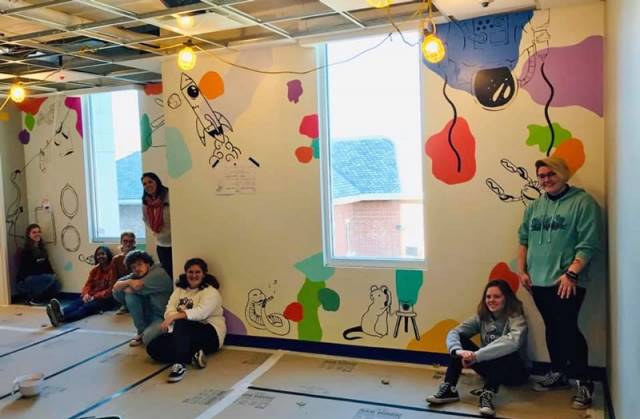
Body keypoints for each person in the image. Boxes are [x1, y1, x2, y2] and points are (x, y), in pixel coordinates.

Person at [517, 157, 602, 409]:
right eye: (541, 176)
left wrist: (572, 273)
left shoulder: (583, 203)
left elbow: (589, 242)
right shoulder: (534, 207)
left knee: (568, 329)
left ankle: (585, 382)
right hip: (537, 282)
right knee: (552, 328)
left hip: (567, 281)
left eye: (550, 174)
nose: (546, 180)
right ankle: (558, 373)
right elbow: (523, 240)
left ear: (563, 174)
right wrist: (522, 272)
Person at [426, 280, 528, 417]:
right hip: (489, 368)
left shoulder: (516, 318)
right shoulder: (482, 317)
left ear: (507, 299)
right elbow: (454, 332)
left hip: (514, 372)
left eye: (497, 297)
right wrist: (459, 351)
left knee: (504, 347)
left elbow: (514, 342)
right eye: (488, 297)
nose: (491, 300)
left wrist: (477, 355)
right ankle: (449, 388)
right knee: (460, 340)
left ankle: (487, 393)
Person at [146, 258, 226, 383]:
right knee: (153, 348)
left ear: (204, 274)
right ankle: (193, 354)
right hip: (183, 333)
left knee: (182, 322)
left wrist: (175, 316)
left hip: (210, 334)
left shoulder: (211, 292)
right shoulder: (179, 290)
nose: (194, 275)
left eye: (197, 272)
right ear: (186, 273)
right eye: (190, 272)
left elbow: (201, 313)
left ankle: (179, 364)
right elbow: (169, 309)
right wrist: (173, 316)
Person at [112, 250, 173, 347]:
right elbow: (115, 288)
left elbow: (133, 289)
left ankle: (149, 332)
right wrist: (129, 281)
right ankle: (141, 329)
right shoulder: (136, 275)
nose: (137, 269)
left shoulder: (158, 273)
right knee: (125, 294)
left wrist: (129, 285)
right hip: (149, 313)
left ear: (148, 263)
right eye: (133, 267)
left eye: (139, 264)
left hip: (161, 316)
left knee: (147, 339)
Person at [45, 246, 117, 326]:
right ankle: (59, 312)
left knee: (85, 308)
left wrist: (94, 297)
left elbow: (110, 290)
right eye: (98, 255)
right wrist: (86, 294)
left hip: (105, 299)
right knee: (76, 303)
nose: (100, 256)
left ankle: (61, 318)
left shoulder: (113, 270)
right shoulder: (95, 270)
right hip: (91, 296)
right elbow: (88, 284)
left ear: (108, 255)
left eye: (103, 254)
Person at [15, 224, 60, 305]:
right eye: (34, 232)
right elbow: (26, 271)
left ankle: (39, 297)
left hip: (38, 278)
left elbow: (47, 265)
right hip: (25, 281)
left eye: (39, 232)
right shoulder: (26, 251)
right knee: (49, 278)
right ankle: (30, 297)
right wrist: (47, 276)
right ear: (29, 235)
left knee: (56, 285)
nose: (37, 234)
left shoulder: (42, 249)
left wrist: (53, 274)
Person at [141, 172, 172, 278]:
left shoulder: (168, 195)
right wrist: (155, 229)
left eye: (150, 182)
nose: (147, 185)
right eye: (144, 184)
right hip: (161, 244)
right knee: (169, 274)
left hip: (175, 242)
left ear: (157, 182)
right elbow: (145, 219)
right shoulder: (146, 201)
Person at [112, 231, 137, 315]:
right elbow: (114, 278)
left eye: (131, 241)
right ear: (121, 242)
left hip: (136, 286)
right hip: (122, 285)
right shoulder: (116, 259)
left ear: (134, 242)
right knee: (116, 290)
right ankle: (126, 305)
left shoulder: (139, 257)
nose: (128, 244)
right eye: (125, 241)